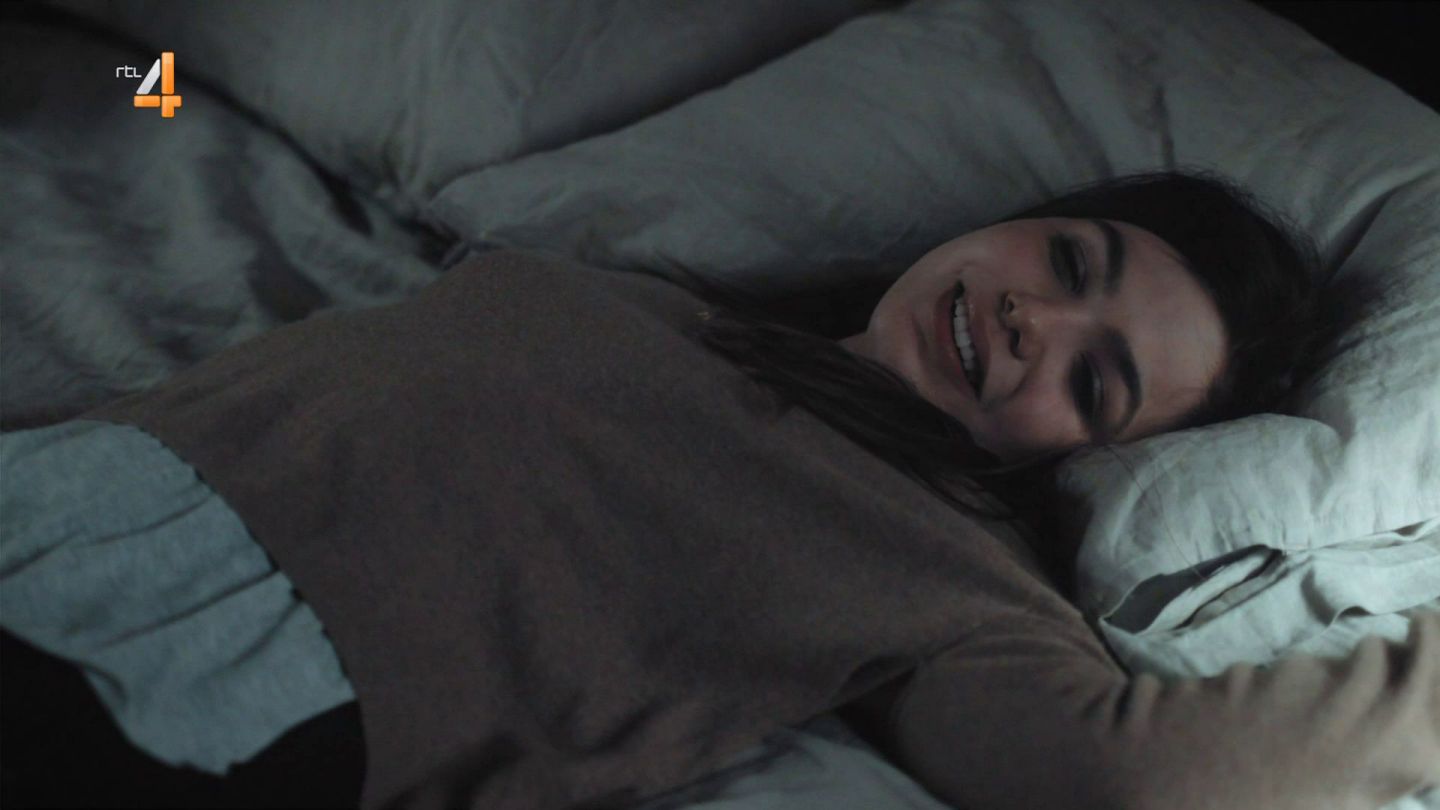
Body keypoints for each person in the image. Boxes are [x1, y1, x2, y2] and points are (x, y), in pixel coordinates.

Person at [0, 169, 1432, 810]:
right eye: (1066, 264)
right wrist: (143, 74)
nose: (1031, 324)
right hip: (58, 495)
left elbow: (1141, 776)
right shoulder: (653, 295)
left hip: (196, 694)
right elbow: (158, 78)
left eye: (1098, 380)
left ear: (1093, 455)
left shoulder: (955, 581)